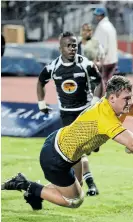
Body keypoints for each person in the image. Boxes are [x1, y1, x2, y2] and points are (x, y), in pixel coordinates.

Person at [2, 75, 133, 210]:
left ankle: (34, 192)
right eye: (126, 98)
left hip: (66, 148)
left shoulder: (119, 105)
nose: (130, 102)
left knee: (74, 186)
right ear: (112, 98)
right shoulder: (105, 117)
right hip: (56, 157)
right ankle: (26, 185)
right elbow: (132, 144)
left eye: (130, 97)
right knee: (75, 201)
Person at [36, 31, 103, 196]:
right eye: (69, 46)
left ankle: (80, 185)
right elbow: (40, 82)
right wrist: (41, 103)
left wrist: (94, 103)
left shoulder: (85, 64)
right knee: (76, 151)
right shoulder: (53, 67)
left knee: (81, 151)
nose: (73, 48)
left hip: (85, 112)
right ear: (61, 48)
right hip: (67, 115)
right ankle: (88, 184)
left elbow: (99, 82)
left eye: (75, 45)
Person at [93, 7, 118, 89]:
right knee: (109, 83)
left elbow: (102, 46)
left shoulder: (102, 27)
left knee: (101, 83)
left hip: (105, 60)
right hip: (113, 59)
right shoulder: (110, 26)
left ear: (101, 16)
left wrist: (99, 60)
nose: (96, 17)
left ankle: (104, 100)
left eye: (97, 15)